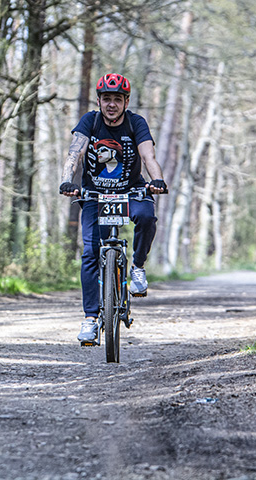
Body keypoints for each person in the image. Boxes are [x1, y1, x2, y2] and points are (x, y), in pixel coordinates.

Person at [59, 73, 168, 343]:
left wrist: (157, 180)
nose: (111, 104)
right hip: (95, 195)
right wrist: (66, 180)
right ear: (99, 100)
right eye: (106, 98)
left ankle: (138, 267)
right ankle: (90, 319)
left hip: (130, 191)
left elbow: (148, 156)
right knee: (90, 252)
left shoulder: (136, 123)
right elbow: (75, 153)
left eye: (117, 99)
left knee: (146, 216)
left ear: (126, 101)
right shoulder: (90, 121)